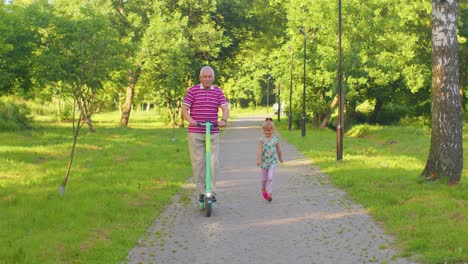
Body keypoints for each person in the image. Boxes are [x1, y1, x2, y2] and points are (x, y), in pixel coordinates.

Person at [181, 66, 229, 204]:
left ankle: (212, 192)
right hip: (196, 132)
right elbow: (184, 109)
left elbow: (225, 108)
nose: (207, 79)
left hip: (212, 132)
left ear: (213, 78)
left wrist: (223, 120)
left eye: (210, 77)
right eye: (205, 77)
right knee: (199, 163)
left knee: (213, 163)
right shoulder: (193, 90)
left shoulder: (218, 91)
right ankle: (202, 193)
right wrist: (191, 121)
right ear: (200, 77)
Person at [256, 117, 283, 202]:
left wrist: (280, 158)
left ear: (273, 130)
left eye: (269, 130)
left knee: (270, 178)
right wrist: (259, 159)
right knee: (264, 179)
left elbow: (279, 150)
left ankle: (270, 194)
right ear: (263, 130)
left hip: (272, 161)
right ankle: (263, 189)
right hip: (264, 162)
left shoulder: (276, 139)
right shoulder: (262, 139)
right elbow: (259, 150)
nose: (267, 132)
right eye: (265, 131)